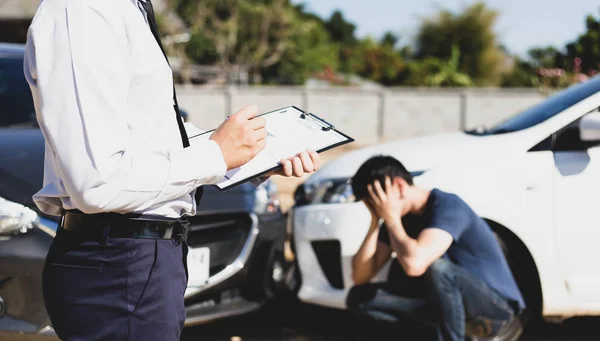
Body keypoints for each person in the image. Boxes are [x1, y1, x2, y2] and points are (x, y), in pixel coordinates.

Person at [23, 0, 320, 340]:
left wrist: (253, 155)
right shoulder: (86, 9)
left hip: (139, 258)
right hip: (120, 261)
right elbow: (96, 182)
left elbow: (151, 139)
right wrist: (217, 154)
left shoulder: (124, 8)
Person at [346, 156, 525, 341]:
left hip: (495, 316)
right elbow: (361, 276)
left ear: (399, 186)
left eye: (377, 199)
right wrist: (375, 222)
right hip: (450, 312)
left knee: (439, 270)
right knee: (360, 297)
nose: (378, 206)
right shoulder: (397, 219)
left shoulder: (448, 206)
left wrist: (390, 219)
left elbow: (415, 264)